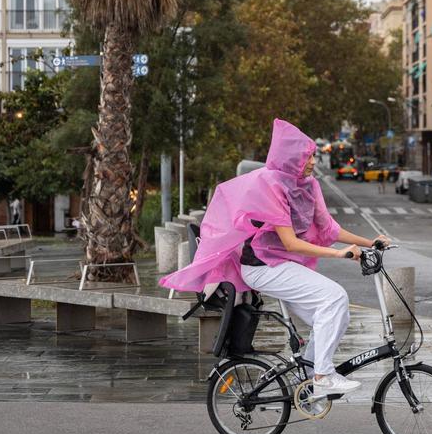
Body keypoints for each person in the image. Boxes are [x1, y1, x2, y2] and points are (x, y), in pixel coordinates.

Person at [161, 119, 387, 398]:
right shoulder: (271, 186)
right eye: (308, 156)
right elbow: (292, 242)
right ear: (291, 158)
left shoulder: (308, 185)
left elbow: (328, 228)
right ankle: (322, 375)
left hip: (284, 265)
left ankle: (308, 381)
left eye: (313, 155)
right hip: (261, 267)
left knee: (333, 315)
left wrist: (370, 242)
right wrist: (339, 253)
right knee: (335, 297)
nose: (314, 161)